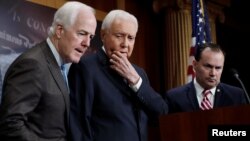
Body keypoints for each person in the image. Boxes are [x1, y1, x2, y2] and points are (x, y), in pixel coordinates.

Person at [0, 1, 97, 141]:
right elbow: (10, 125)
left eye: (91, 37)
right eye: (82, 33)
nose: (87, 43)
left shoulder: (62, 65)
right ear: (59, 31)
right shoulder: (33, 64)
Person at [69, 9, 168, 141]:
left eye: (130, 38)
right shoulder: (86, 67)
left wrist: (136, 82)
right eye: (119, 36)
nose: (125, 44)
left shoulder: (139, 74)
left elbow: (162, 113)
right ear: (103, 35)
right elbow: (78, 126)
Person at [164, 43, 247, 113]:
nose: (213, 73)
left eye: (218, 68)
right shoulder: (175, 97)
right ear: (194, 65)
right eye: (208, 66)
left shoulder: (236, 96)